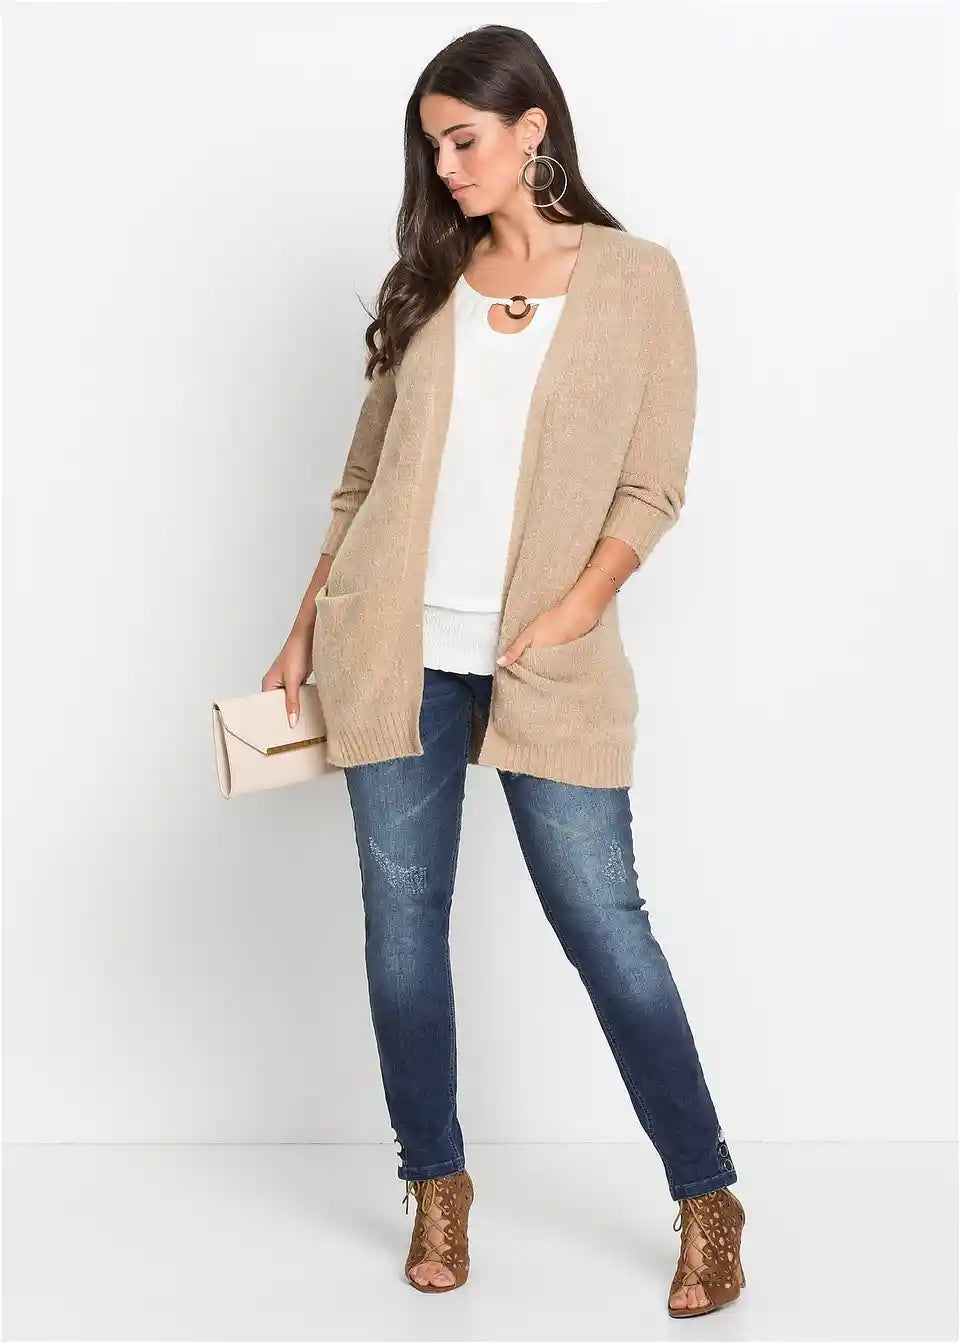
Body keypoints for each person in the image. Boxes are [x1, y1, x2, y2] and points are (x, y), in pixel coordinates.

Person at [262, 23, 746, 1319]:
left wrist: (573, 610)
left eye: (463, 140)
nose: (446, 168)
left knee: (606, 929)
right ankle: (435, 1182)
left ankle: (706, 1195)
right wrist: (305, 624)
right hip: (394, 651)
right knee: (402, 937)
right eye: (431, 148)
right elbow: (362, 482)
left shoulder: (638, 280)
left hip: (550, 666)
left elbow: (653, 484)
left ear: (535, 129)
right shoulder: (429, 280)